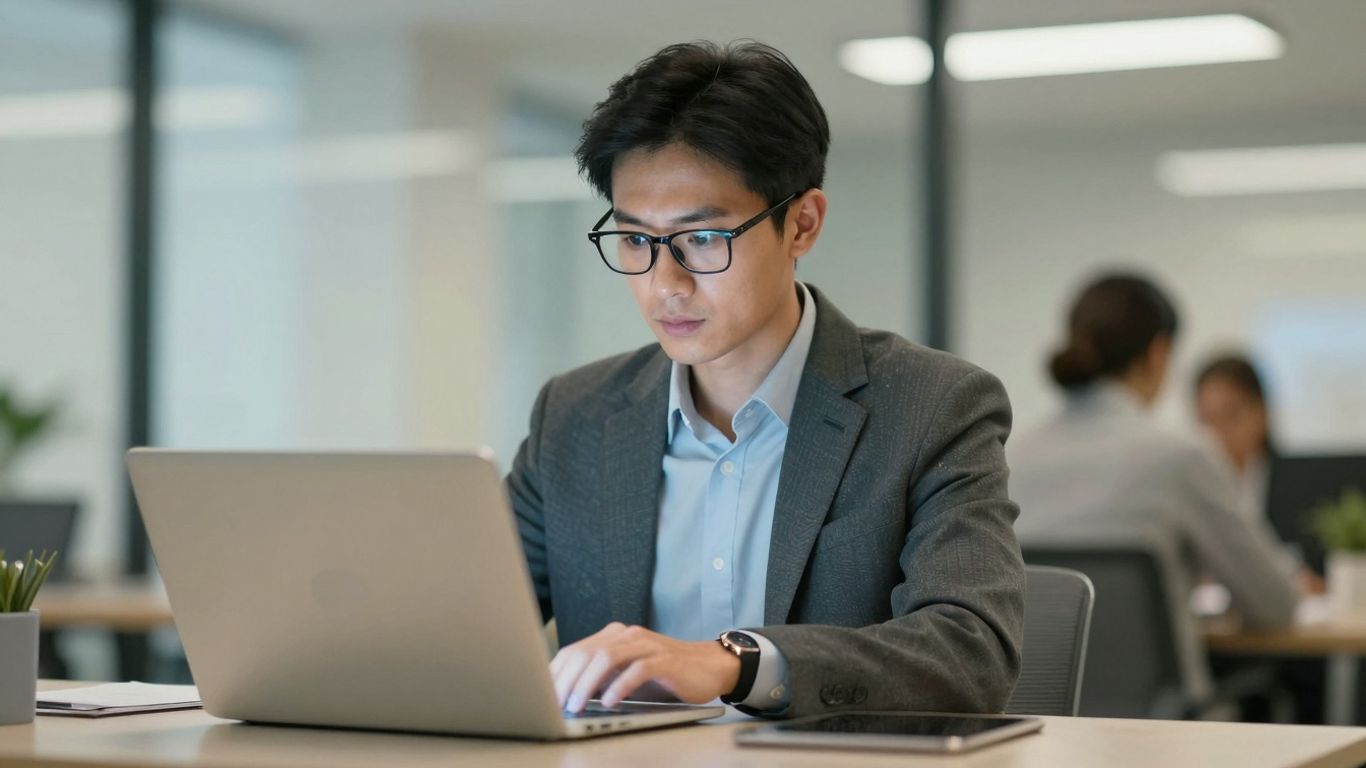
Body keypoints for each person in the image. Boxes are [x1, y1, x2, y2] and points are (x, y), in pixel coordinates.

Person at [506, 41, 1025, 719]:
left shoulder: (933, 407)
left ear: (801, 224)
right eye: (635, 240)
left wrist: (736, 663)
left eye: (703, 239)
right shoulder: (572, 417)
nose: (665, 284)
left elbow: (971, 651)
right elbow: (462, 625)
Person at [1010, 274, 1300, 630]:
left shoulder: (1011, 459)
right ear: (1158, 353)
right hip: (1152, 671)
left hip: (1039, 670)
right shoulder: (1181, 458)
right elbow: (1275, 606)